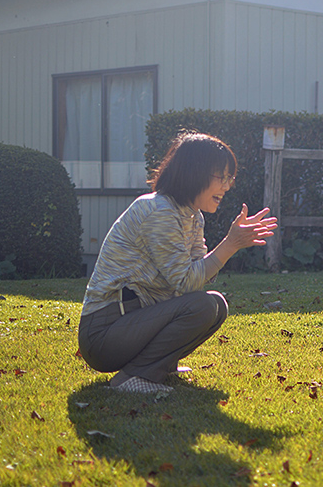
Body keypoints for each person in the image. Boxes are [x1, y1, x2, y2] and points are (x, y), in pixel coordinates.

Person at [78, 132, 278, 393]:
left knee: (216, 305)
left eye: (230, 178)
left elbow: (197, 275)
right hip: (104, 333)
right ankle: (134, 377)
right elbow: (185, 282)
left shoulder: (192, 216)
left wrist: (232, 243)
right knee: (204, 305)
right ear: (195, 172)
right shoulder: (159, 211)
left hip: (133, 322)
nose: (228, 186)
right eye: (222, 176)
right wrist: (231, 244)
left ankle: (159, 365)